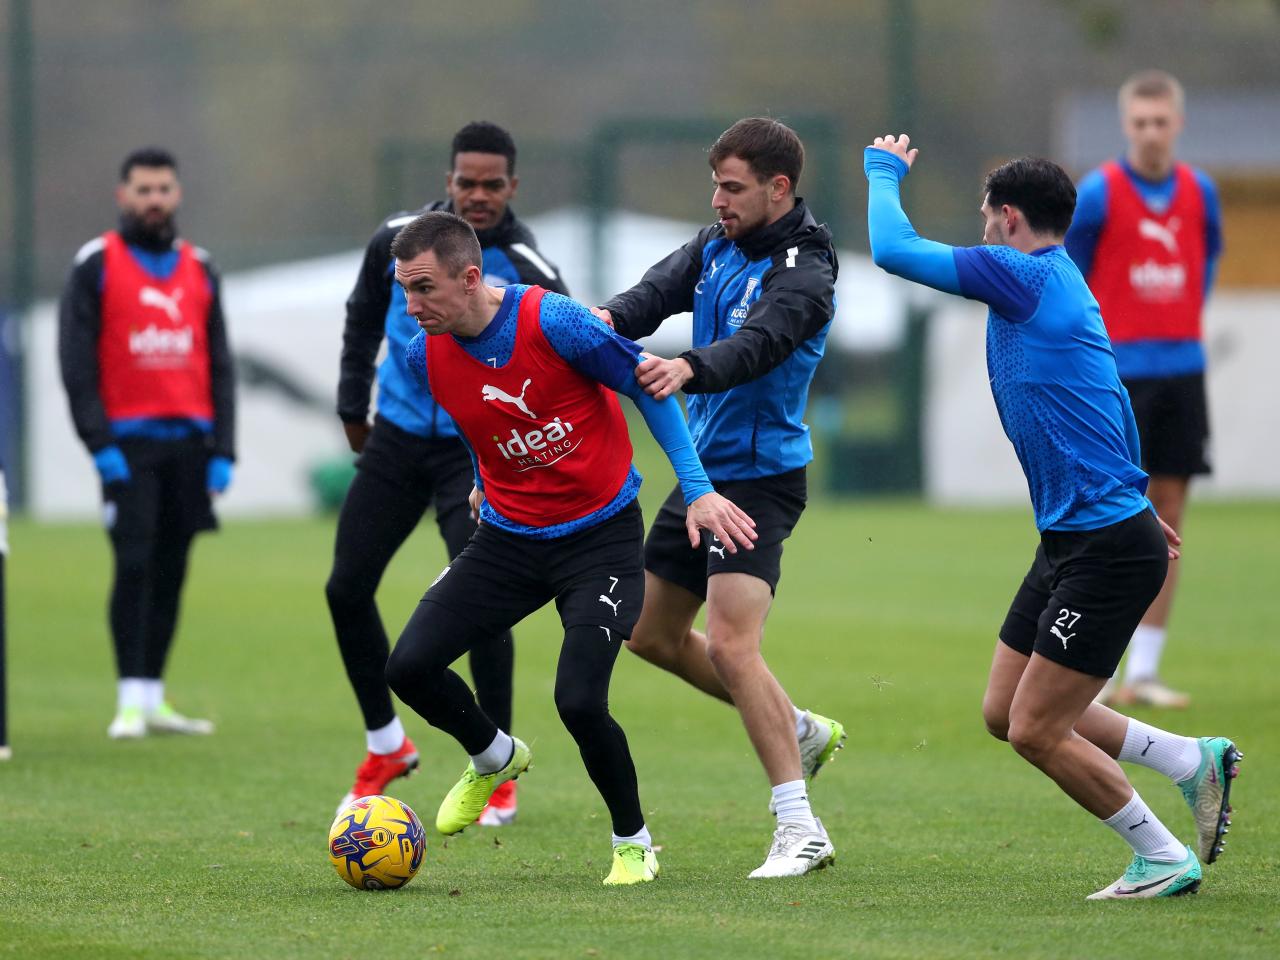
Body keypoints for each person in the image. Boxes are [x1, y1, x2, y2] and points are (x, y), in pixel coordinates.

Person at [865, 134, 1241, 899]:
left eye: (986, 214)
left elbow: (894, 251)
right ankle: (1187, 759)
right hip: (1080, 537)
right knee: (1005, 711)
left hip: (1105, 546)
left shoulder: (1023, 274)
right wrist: (1138, 496)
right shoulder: (1064, 279)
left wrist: (883, 171)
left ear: (1009, 217)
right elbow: (1112, 399)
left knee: (1037, 729)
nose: (982, 227)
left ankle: (1163, 856)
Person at [381, 210, 756, 885]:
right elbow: (474, 417)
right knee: (408, 667)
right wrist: (481, 478)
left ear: (470, 278)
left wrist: (698, 488)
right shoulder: (422, 355)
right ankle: (494, 756)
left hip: (600, 541)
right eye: (405, 288)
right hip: (507, 541)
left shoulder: (554, 321)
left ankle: (634, 843)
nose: (412, 306)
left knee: (579, 701)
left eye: (423, 288)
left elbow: (650, 386)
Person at [594, 118, 844, 878]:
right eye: (715, 186)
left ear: (778, 188)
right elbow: (652, 294)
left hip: (759, 481)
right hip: (703, 478)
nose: (718, 200)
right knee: (649, 635)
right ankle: (797, 726)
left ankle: (800, 827)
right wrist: (601, 322)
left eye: (732, 188)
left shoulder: (807, 270)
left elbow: (761, 342)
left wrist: (688, 367)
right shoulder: (715, 245)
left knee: (735, 647)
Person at [329, 122, 568, 818]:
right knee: (346, 587)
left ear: (512, 186)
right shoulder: (397, 239)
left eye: (492, 184)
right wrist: (351, 406)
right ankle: (386, 744)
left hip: (475, 455)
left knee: (483, 606)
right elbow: (361, 320)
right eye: (467, 182)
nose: (478, 194)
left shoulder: (527, 263)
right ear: (448, 180)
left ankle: (495, 762)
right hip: (397, 439)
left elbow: (565, 358)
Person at [59, 147, 236, 740]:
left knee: (173, 567)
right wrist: (98, 443)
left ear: (177, 194)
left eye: (163, 189)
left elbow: (220, 363)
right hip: (128, 447)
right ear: (123, 196)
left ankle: (155, 698)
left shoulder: (200, 267)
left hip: (190, 444)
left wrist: (224, 449)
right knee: (133, 562)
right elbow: (76, 363)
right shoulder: (96, 263)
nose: (154, 200)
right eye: (143, 190)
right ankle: (129, 700)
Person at [1064, 70, 1223, 708]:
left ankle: (1145, 671)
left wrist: (1181, 318)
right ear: (1126, 125)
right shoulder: (1100, 192)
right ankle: (1091, 669)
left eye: (1161, 121)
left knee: (1171, 512)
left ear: (1177, 123)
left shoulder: (1199, 191)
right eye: (1140, 122)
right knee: (1108, 514)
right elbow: (1069, 272)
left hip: (1181, 369)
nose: (1151, 133)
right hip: (1119, 373)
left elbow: (1206, 257)